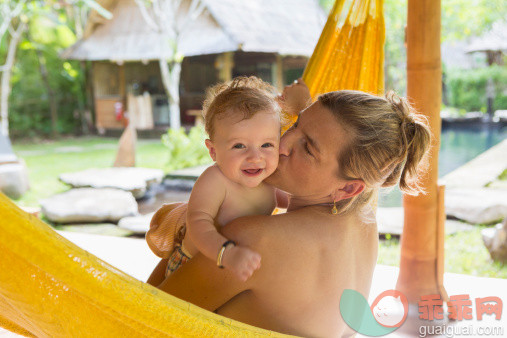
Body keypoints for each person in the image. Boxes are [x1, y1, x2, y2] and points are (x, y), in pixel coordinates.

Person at [147, 79, 431, 337]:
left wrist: (190, 227)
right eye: (295, 125)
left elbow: (141, 318)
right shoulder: (363, 220)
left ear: (348, 188)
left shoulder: (253, 241)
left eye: (308, 149)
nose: (282, 144)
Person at [147, 76, 286, 282]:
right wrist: (226, 253)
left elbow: (298, 206)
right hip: (192, 267)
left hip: (237, 268)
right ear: (213, 151)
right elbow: (198, 224)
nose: (255, 157)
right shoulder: (215, 181)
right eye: (239, 146)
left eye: (267, 145)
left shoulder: (273, 181)